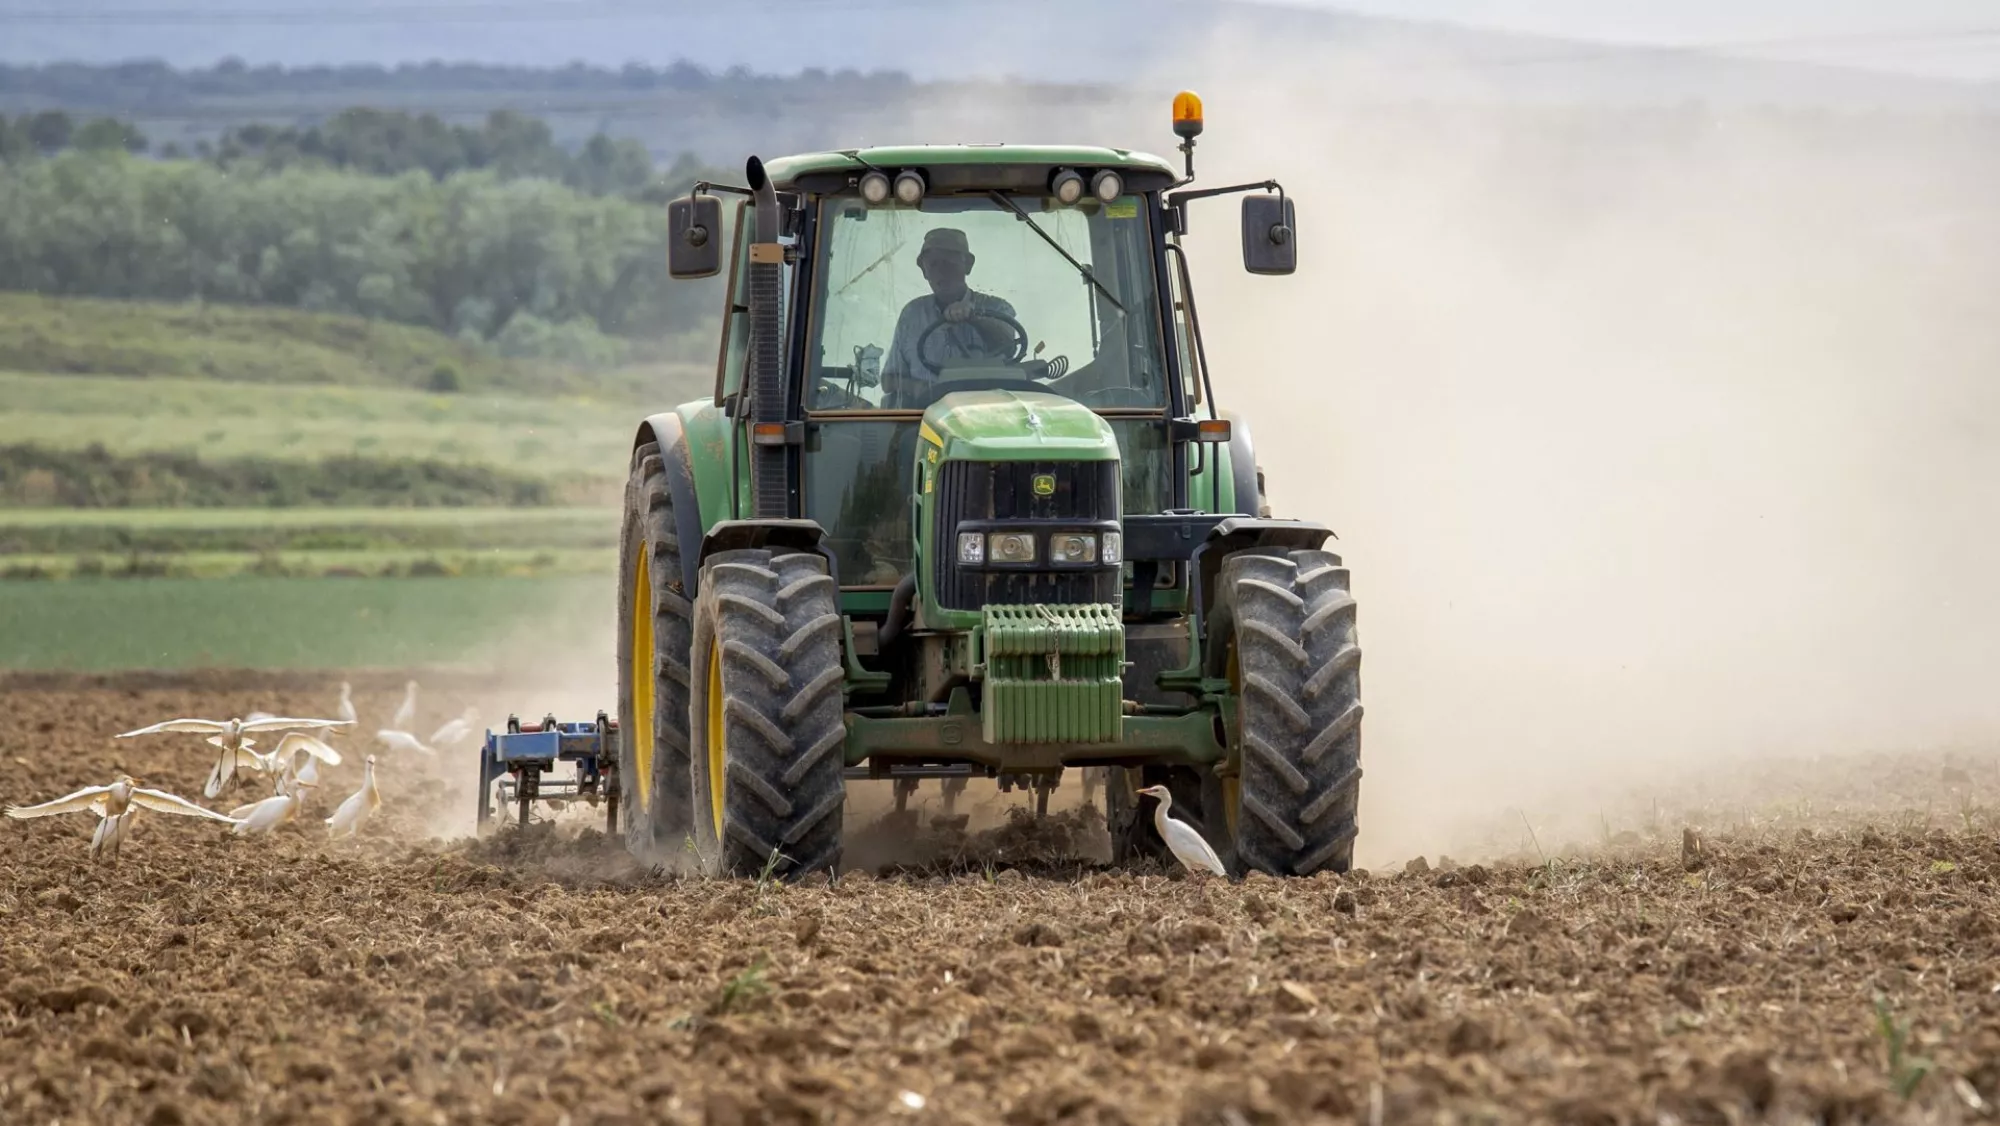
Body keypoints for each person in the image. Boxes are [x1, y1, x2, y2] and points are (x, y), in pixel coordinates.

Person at [881, 227, 1019, 407]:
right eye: (933, 265)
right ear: (924, 272)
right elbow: (888, 380)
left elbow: (1009, 345)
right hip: (924, 416)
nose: (941, 273)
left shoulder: (997, 308)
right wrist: (916, 387)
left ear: (968, 266)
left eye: (949, 264)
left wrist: (975, 317)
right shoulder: (912, 314)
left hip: (988, 412)